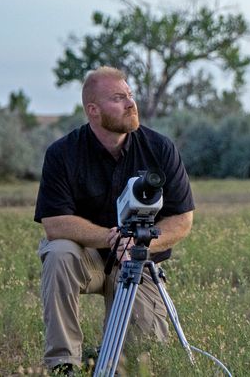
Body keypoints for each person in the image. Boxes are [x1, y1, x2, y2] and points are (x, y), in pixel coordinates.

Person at [34, 66, 195, 374]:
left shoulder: (160, 148)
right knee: (58, 253)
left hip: (139, 258)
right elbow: (55, 224)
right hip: (89, 257)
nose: (131, 103)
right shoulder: (62, 153)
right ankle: (63, 364)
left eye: (130, 95)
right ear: (93, 110)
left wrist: (141, 245)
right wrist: (113, 237)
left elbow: (182, 219)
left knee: (140, 360)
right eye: (118, 98)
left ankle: (103, 357)